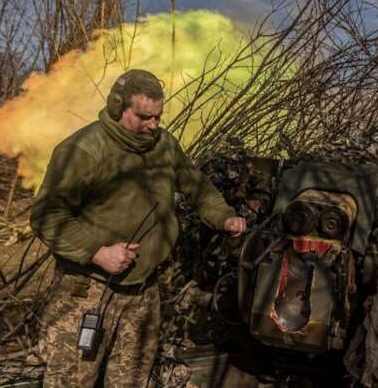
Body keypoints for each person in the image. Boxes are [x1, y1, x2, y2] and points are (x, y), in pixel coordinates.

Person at [31, 69, 246, 387]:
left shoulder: (163, 146)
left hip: (143, 291)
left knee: (131, 380)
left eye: (158, 116)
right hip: (87, 291)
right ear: (118, 109)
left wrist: (223, 216)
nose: (154, 125)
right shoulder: (84, 150)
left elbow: (197, 187)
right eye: (144, 117)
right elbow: (47, 215)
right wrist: (97, 252)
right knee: (71, 381)